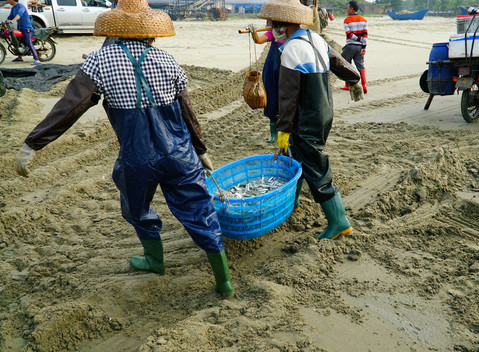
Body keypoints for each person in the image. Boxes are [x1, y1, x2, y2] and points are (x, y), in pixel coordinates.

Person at [13, 0, 235, 298]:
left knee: (136, 208)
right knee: (200, 211)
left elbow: (70, 108)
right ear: (150, 31)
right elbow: (187, 111)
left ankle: (155, 261)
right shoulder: (168, 60)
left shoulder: (98, 62)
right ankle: (224, 283)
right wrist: (201, 150)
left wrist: (32, 144)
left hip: (137, 157)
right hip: (180, 155)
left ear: (113, 30)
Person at [258, 0, 363, 240]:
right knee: (297, 158)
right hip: (325, 112)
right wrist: (354, 79)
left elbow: (288, 97)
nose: (272, 28)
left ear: (283, 25)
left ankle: (339, 221)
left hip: (306, 120)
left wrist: (283, 128)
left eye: (274, 24)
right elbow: (340, 64)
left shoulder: (291, 50)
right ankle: (291, 204)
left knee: (315, 169)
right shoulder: (316, 39)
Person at [247, 21, 284, 143]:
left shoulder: (292, 33)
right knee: (271, 96)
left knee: (287, 96)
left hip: (287, 65)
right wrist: (253, 33)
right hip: (272, 65)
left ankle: (287, 131)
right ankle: (274, 133)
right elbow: (259, 40)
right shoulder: (273, 32)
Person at [339, 0, 367, 94]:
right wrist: (363, 46)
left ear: (351, 9)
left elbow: (349, 34)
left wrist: (358, 39)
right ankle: (364, 85)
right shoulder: (363, 20)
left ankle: (347, 85)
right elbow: (365, 35)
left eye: (347, 8)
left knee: (345, 64)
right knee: (361, 65)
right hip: (359, 47)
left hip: (350, 46)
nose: (347, 10)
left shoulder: (347, 20)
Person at [5, 0, 40, 65]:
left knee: (28, 42)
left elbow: (19, 15)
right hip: (20, 28)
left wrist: (12, 21)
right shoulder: (13, 8)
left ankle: (37, 59)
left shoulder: (21, 7)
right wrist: (6, 21)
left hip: (27, 28)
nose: (8, 1)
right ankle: (19, 57)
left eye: (9, 0)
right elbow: (10, 17)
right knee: (18, 42)